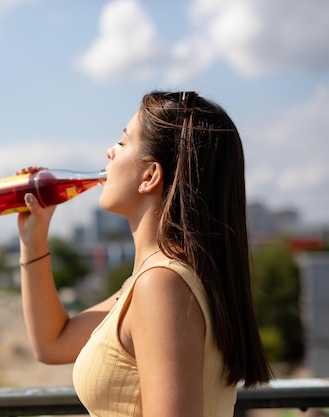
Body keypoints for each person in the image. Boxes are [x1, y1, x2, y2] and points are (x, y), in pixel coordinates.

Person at [15, 91, 272, 417]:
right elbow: (52, 342)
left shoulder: (163, 286)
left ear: (150, 176)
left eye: (122, 142)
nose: (109, 151)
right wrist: (33, 238)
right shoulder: (155, 280)